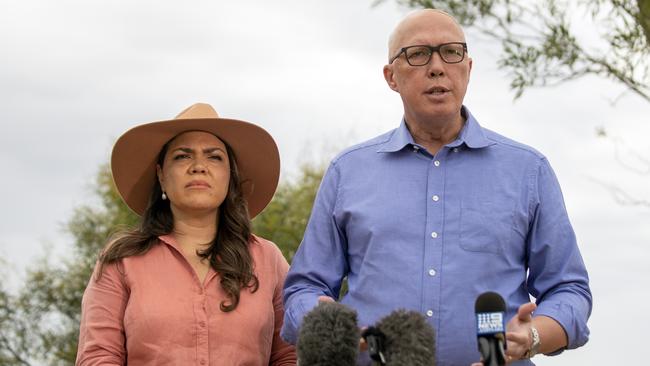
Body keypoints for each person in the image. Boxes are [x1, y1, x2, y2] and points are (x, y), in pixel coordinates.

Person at [281, 9, 591, 366]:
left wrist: (533, 335)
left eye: (451, 52)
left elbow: (570, 289)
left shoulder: (528, 170)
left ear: (468, 69)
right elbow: (303, 289)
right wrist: (324, 322)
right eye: (418, 54)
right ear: (391, 76)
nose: (437, 66)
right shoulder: (346, 172)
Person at [76, 103, 296, 365]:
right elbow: (98, 356)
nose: (199, 166)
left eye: (214, 156)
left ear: (230, 176)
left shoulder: (267, 259)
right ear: (161, 175)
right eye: (182, 156)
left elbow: (289, 354)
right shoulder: (121, 261)